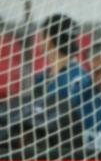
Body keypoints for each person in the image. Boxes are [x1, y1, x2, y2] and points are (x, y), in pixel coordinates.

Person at [28, 13, 90, 150]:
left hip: (69, 151)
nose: (38, 39)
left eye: (41, 34)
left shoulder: (78, 79)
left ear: (48, 39)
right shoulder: (41, 78)